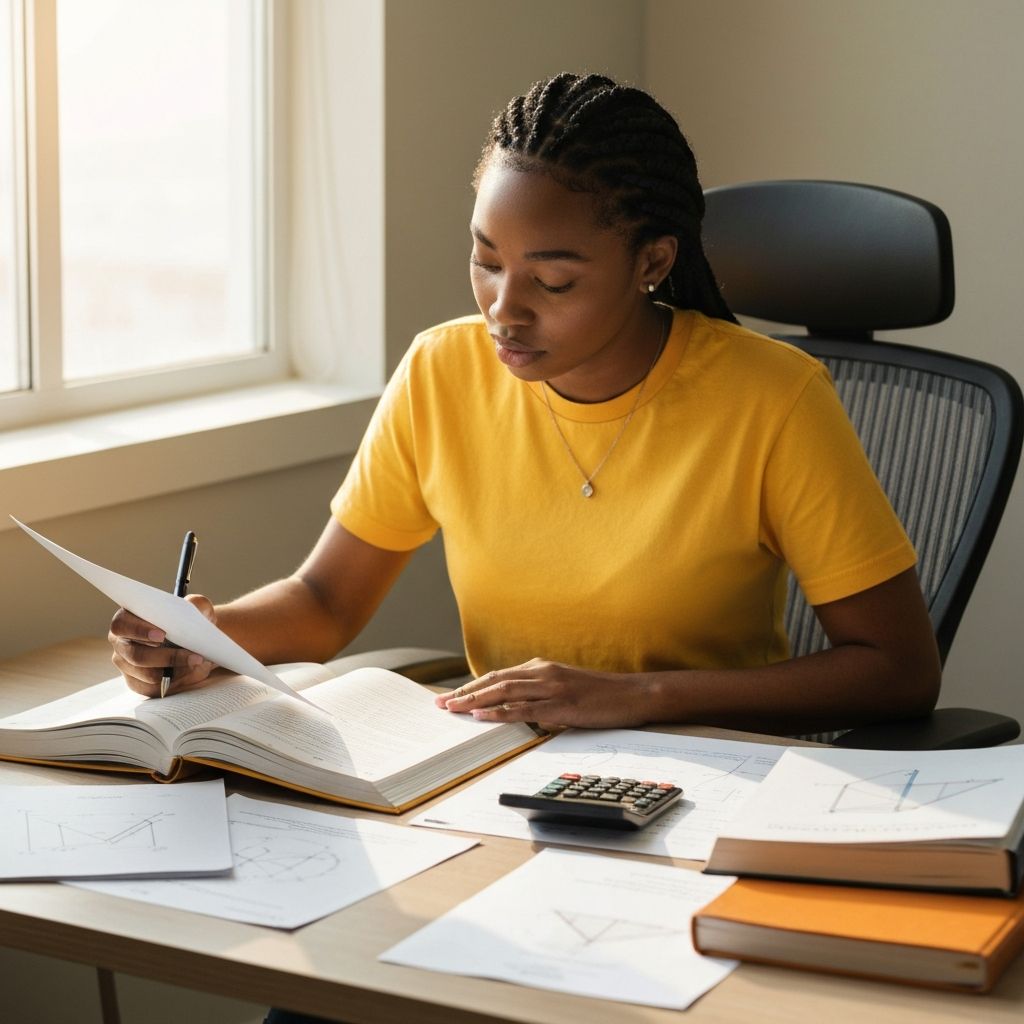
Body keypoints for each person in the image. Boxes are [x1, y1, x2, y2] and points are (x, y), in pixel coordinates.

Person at [110, 69, 941, 1024]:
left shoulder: (773, 400)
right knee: (326, 993)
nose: (505, 308)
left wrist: (635, 697)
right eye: (485, 261)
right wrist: (201, 633)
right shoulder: (442, 369)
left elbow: (897, 670)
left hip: (694, 814)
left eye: (552, 280)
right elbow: (327, 603)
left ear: (652, 262)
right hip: (498, 803)